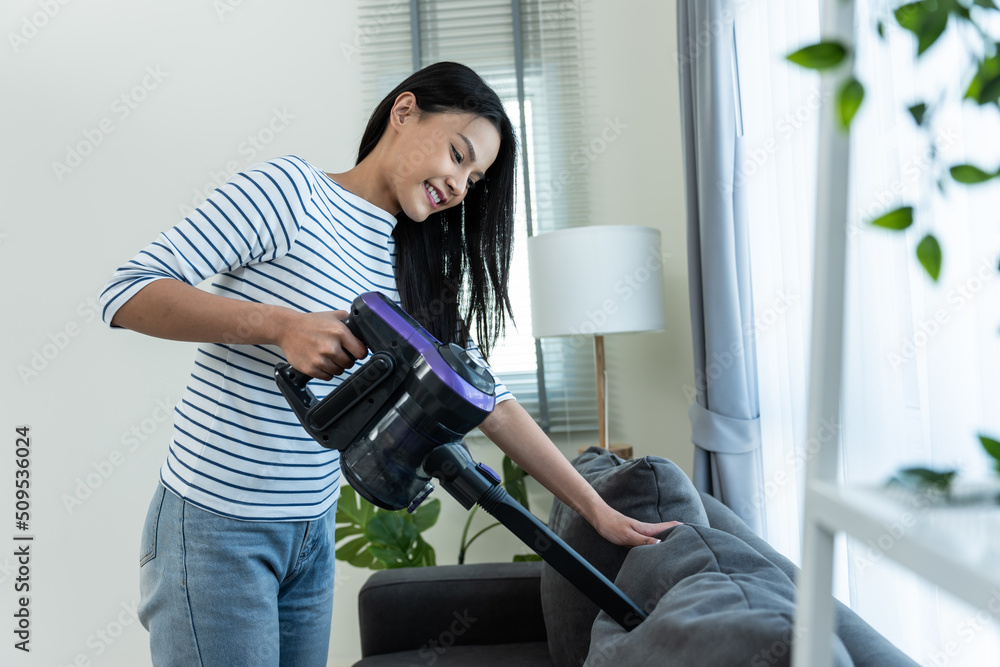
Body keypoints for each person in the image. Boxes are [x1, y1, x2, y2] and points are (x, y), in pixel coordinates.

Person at [100, 61, 679, 667]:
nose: (460, 185)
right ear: (404, 113)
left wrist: (595, 508)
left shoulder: (416, 263)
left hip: (311, 534)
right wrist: (281, 326)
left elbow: (490, 401)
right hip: (215, 529)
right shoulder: (289, 194)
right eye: (458, 155)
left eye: (474, 179)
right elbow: (127, 292)